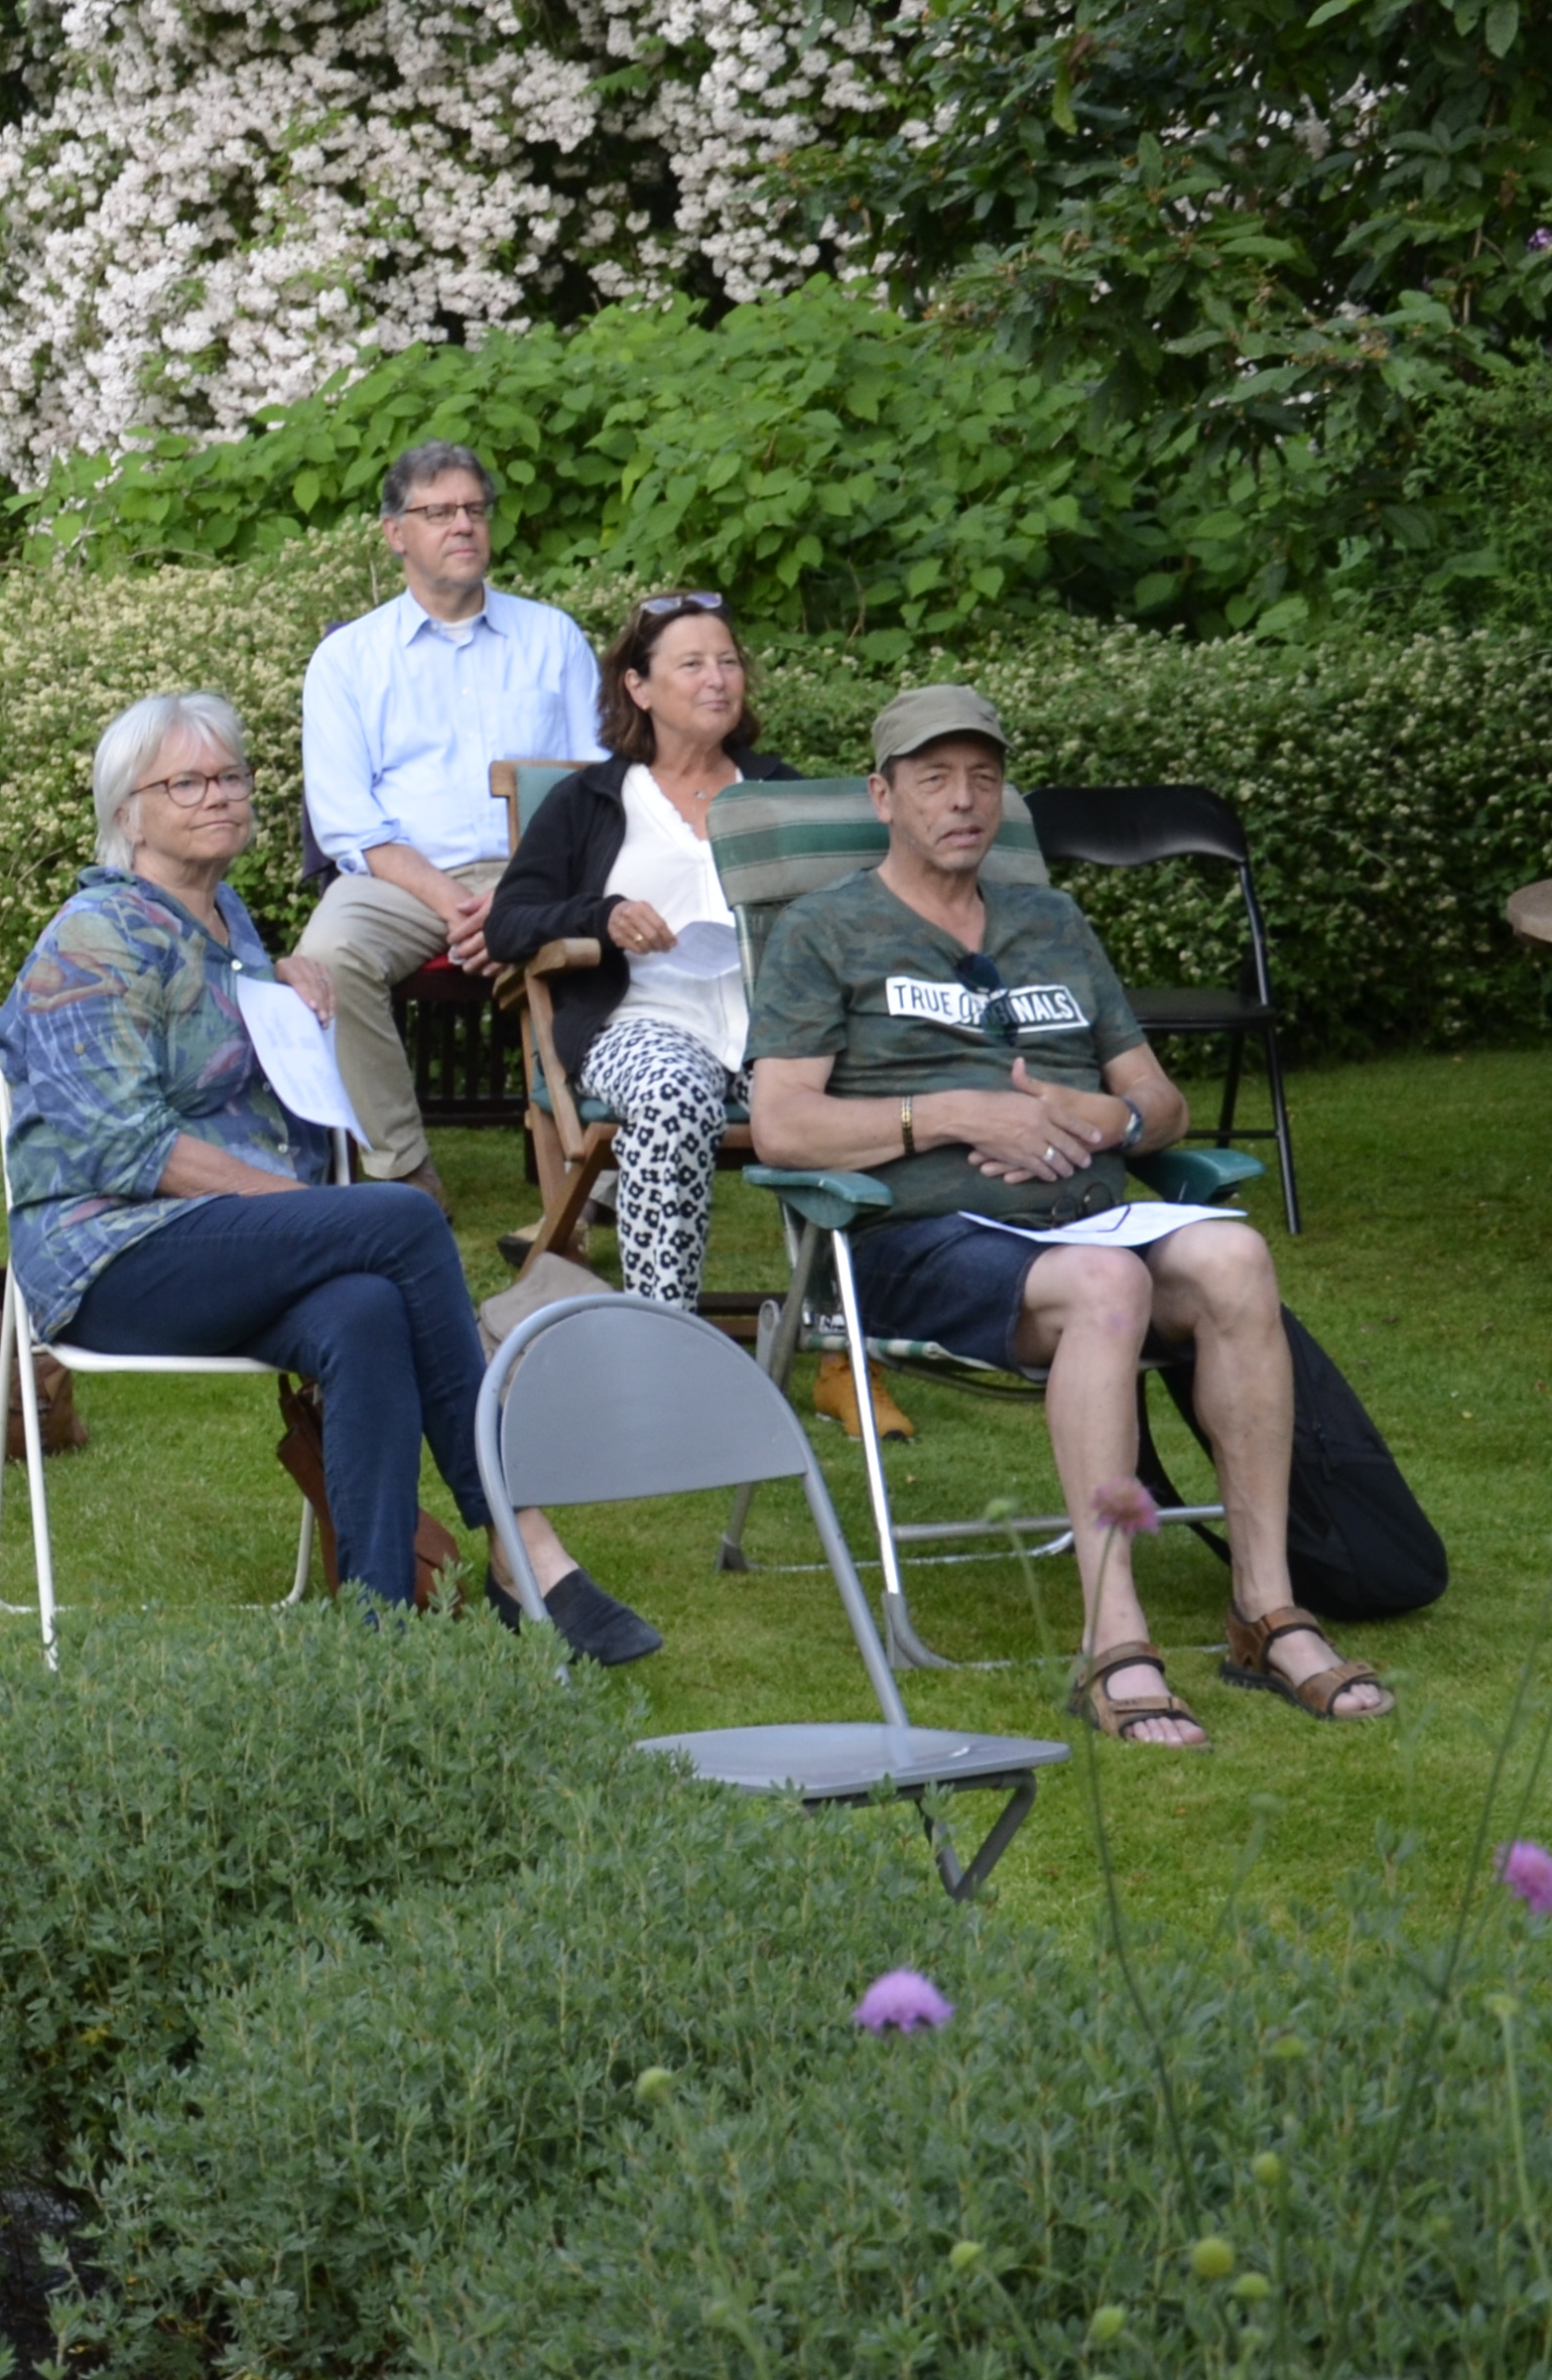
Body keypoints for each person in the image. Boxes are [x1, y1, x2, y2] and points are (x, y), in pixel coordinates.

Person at [741, 685, 1388, 1746]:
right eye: (933, 779)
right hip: (918, 1237)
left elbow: (1163, 1102)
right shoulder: (825, 929)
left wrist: (1117, 1113)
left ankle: (1263, 1608)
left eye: (983, 779)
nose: (963, 801)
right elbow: (779, 1126)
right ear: (882, 794)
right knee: (1109, 1283)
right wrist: (943, 1112)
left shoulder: (1049, 921)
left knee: (1230, 1255)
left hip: (1083, 1217)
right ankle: (1110, 1633)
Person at [0, 692, 655, 1658]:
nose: (218, 796)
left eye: (230, 776)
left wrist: (282, 985)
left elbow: (245, 1074)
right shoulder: (96, 936)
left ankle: (376, 1639)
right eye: (186, 782)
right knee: (394, 1221)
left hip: (215, 1249)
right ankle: (519, 1539)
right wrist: (313, 1210)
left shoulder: (224, 924)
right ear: (126, 811)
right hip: (106, 1255)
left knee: (363, 1311)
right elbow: (127, 1150)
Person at [295, 443, 601, 1203]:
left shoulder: (551, 638)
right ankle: (401, 1171)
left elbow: (595, 787)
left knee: (620, 931)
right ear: (396, 533)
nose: (462, 525)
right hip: (403, 880)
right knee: (329, 955)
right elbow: (349, 824)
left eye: (473, 509)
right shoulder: (348, 660)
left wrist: (516, 900)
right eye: (439, 512)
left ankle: (597, 1169)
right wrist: (456, 906)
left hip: (536, 870)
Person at [479, 595, 797, 1315]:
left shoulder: (780, 793)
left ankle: (839, 1335)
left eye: (727, 661)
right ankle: (665, 1333)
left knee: (835, 1089)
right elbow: (509, 924)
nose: (718, 679)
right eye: (692, 664)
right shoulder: (588, 800)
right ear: (639, 687)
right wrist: (604, 916)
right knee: (672, 1096)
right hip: (641, 1018)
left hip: (771, 1025)